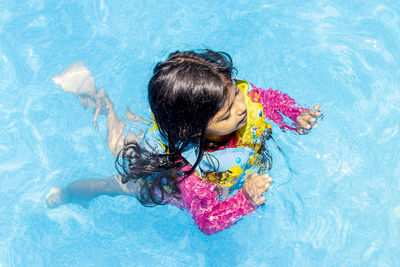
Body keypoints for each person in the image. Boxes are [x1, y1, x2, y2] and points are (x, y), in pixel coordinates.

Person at [46, 50, 322, 235]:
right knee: (116, 170)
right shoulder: (190, 174)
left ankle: (100, 101)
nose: (241, 107)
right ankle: (71, 187)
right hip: (158, 176)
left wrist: (295, 116)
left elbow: (267, 101)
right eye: (226, 113)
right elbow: (207, 221)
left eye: (236, 92)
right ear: (194, 130)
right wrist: (245, 200)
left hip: (199, 145)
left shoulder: (237, 101)